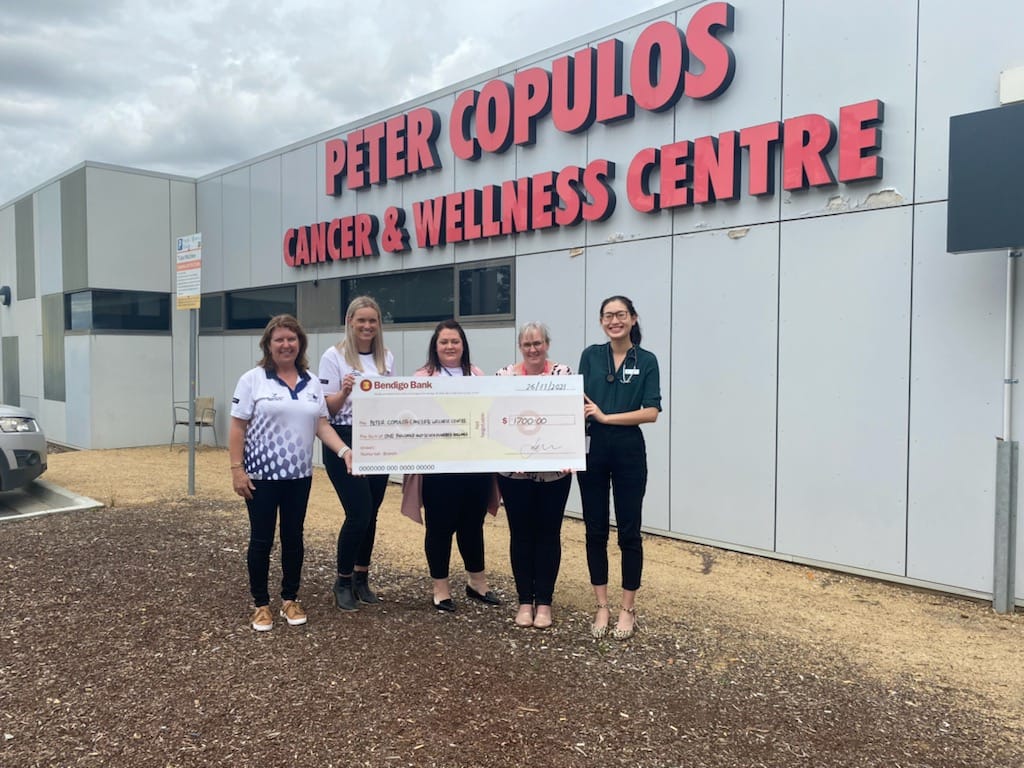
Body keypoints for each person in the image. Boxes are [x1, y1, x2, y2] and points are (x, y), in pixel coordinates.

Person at [229, 314, 352, 632]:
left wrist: (344, 451)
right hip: (261, 476)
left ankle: (290, 598)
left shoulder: (311, 381)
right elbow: (238, 426)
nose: (286, 344)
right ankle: (260, 604)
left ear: (301, 343)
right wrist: (237, 470)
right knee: (261, 539)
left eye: (292, 339)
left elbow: (321, 424)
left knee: (294, 537)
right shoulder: (253, 379)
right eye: (279, 339)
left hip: (299, 476)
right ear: (268, 345)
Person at [577, 296, 661, 640]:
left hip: (628, 450)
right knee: (595, 529)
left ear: (633, 318)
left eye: (621, 314)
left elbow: (651, 412)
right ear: (601, 322)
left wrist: (607, 417)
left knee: (629, 531)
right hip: (592, 449)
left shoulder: (647, 360)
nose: (615, 321)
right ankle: (602, 605)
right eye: (608, 315)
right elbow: (576, 400)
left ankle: (627, 608)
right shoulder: (590, 356)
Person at [404, 319, 501, 612]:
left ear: (463, 345)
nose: (449, 346)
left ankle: (477, 582)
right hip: (439, 467)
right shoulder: (422, 377)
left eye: (455, 341)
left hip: (474, 464)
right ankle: (441, 588)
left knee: (473, 524)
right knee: (440, 526)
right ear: (435, 346)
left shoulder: (477, 374)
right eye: (444, 342)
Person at [494, 322, 573, 629]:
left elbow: (570, 418)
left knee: (549, 534)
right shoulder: (504, 377)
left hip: (554, 473)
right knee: (521, 534)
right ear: (520, 347)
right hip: (514, 473)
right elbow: (497, 419)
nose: (533, 349)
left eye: (537, 343)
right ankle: (525, 601)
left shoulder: (563, 375)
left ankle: (545, 603)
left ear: (547, 344)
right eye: (527, 344)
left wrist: (569, 452)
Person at [319, 296, 395, 612]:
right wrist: (345, 391)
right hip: (344, 438)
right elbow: (327, 409)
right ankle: (342, 581)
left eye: (372, 320)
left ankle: (362, 577)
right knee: (358, 512)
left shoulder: (385, 358)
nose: (367, 326)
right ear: (350, 321)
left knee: (372, 512)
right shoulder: (333, 356)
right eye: (361, 320)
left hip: (376, 437)